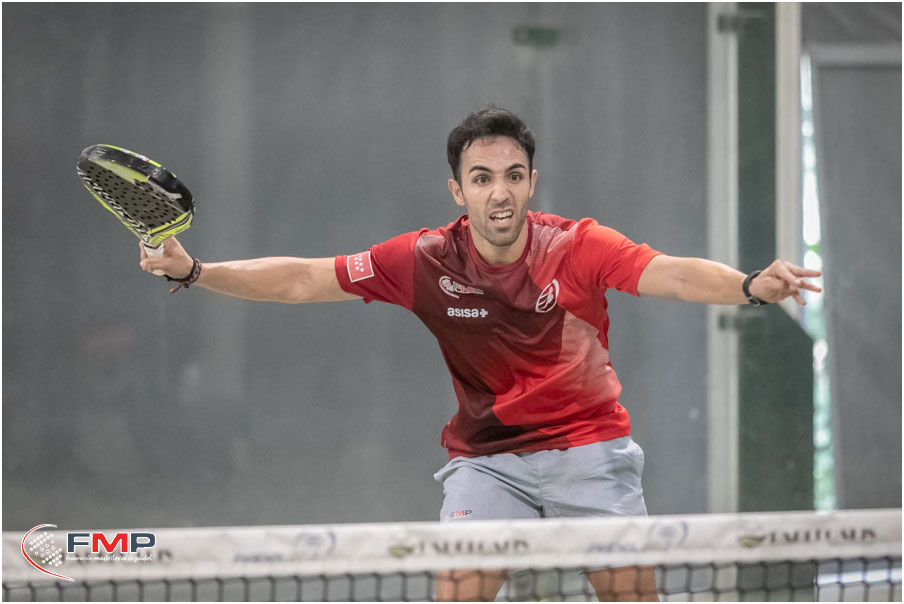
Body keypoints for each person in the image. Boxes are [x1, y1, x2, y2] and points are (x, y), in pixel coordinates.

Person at [140, 107, 822, 601]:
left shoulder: (578, 246)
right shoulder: (424, 260)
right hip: (489, 463)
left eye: (513, 175)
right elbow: (303, 278)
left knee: (633, 598)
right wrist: (196, 270)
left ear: (532, 182)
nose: (500, 191)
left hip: (589, 450)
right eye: (483, 177)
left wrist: (747, 286)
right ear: (458, 190)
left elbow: (669, 272)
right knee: (459, 591)